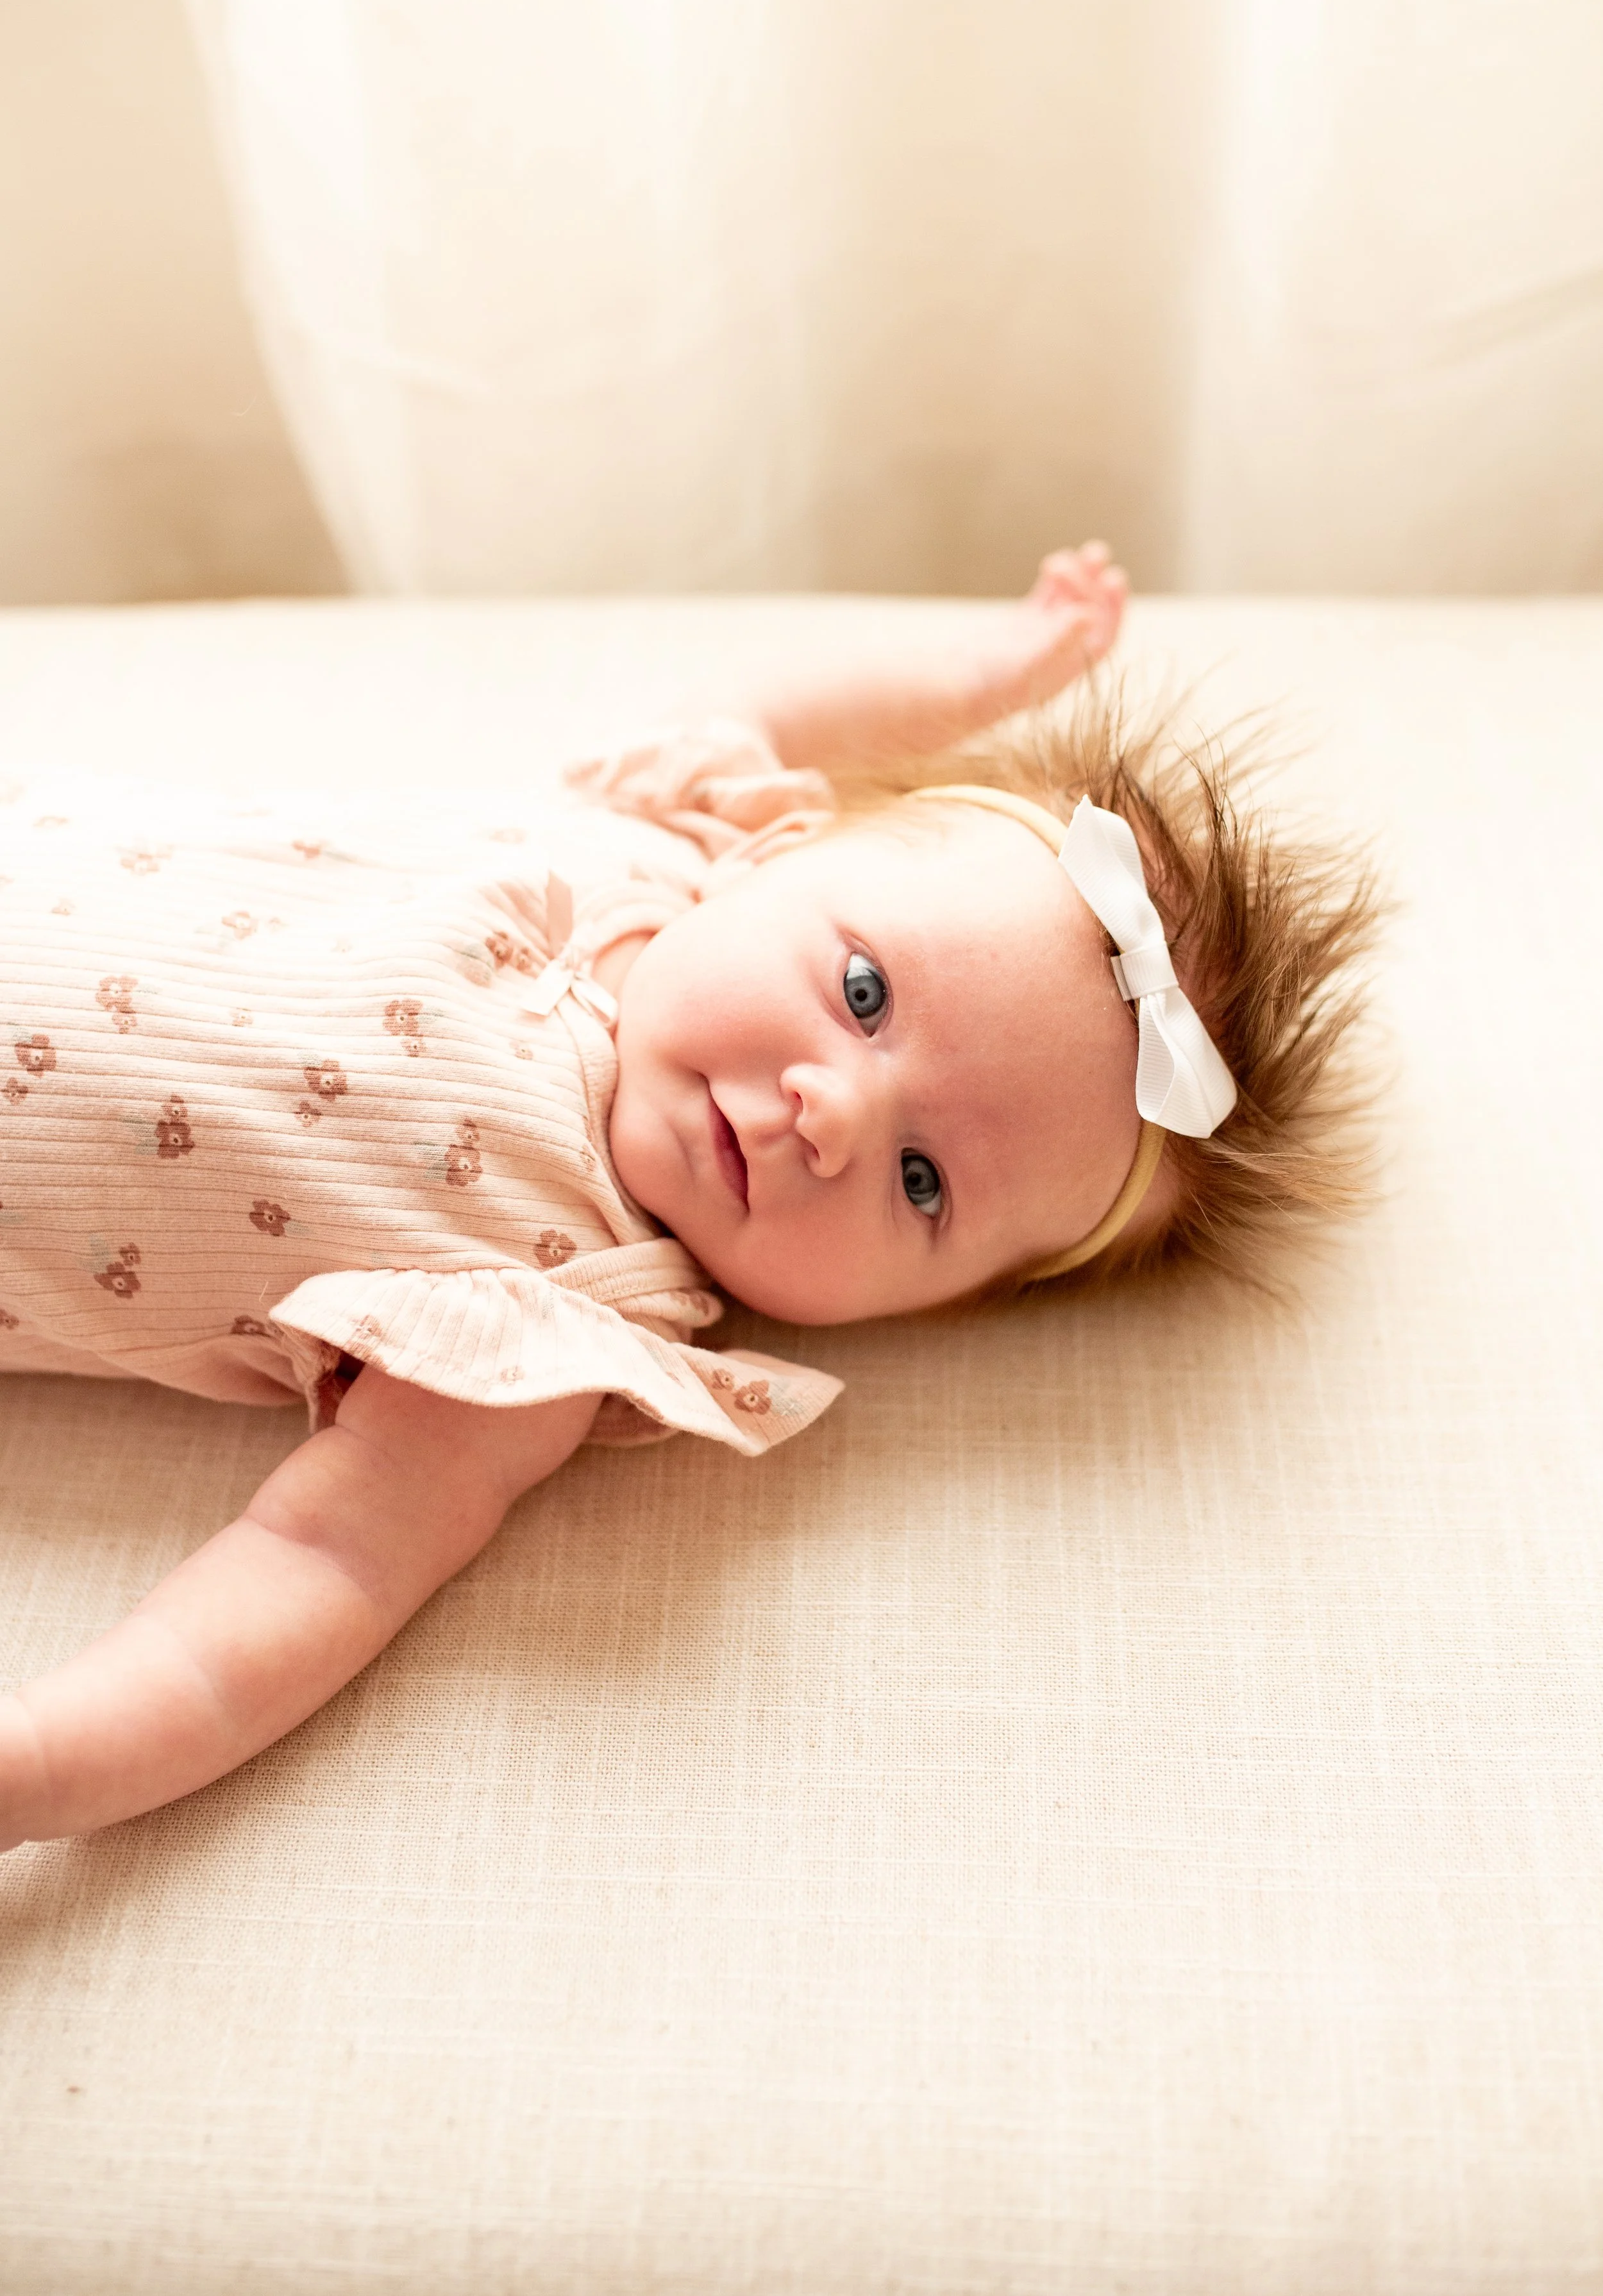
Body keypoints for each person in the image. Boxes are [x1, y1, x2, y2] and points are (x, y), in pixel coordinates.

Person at [0, 547, 1378, 1850]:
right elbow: (767, 708)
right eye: (863, 993)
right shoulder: (657, 839)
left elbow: (312, 1575)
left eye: (920, 1182)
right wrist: (990, 676)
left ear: (934, 1306)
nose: (829, 1111)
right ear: (788, 855)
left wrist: (43, 1768)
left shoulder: (553, 1316)